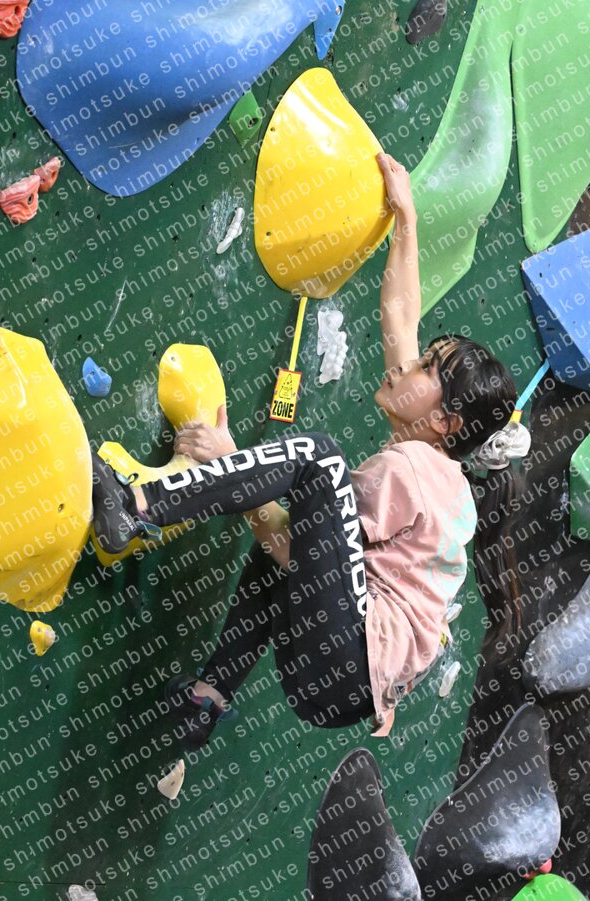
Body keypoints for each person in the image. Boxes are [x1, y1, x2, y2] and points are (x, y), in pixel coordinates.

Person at [91, 153, 530, 746]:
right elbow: (400, 316)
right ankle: (207, 700)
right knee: (294, 527)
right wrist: (405, 218)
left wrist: (228, 461)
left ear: (444, 421)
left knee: (316, 461)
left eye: (427, 367)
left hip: (346, 655)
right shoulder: (440, 469)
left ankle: (136, 507)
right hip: (339, 687)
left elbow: (294, 548)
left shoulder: (411, 469)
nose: (410, 363)